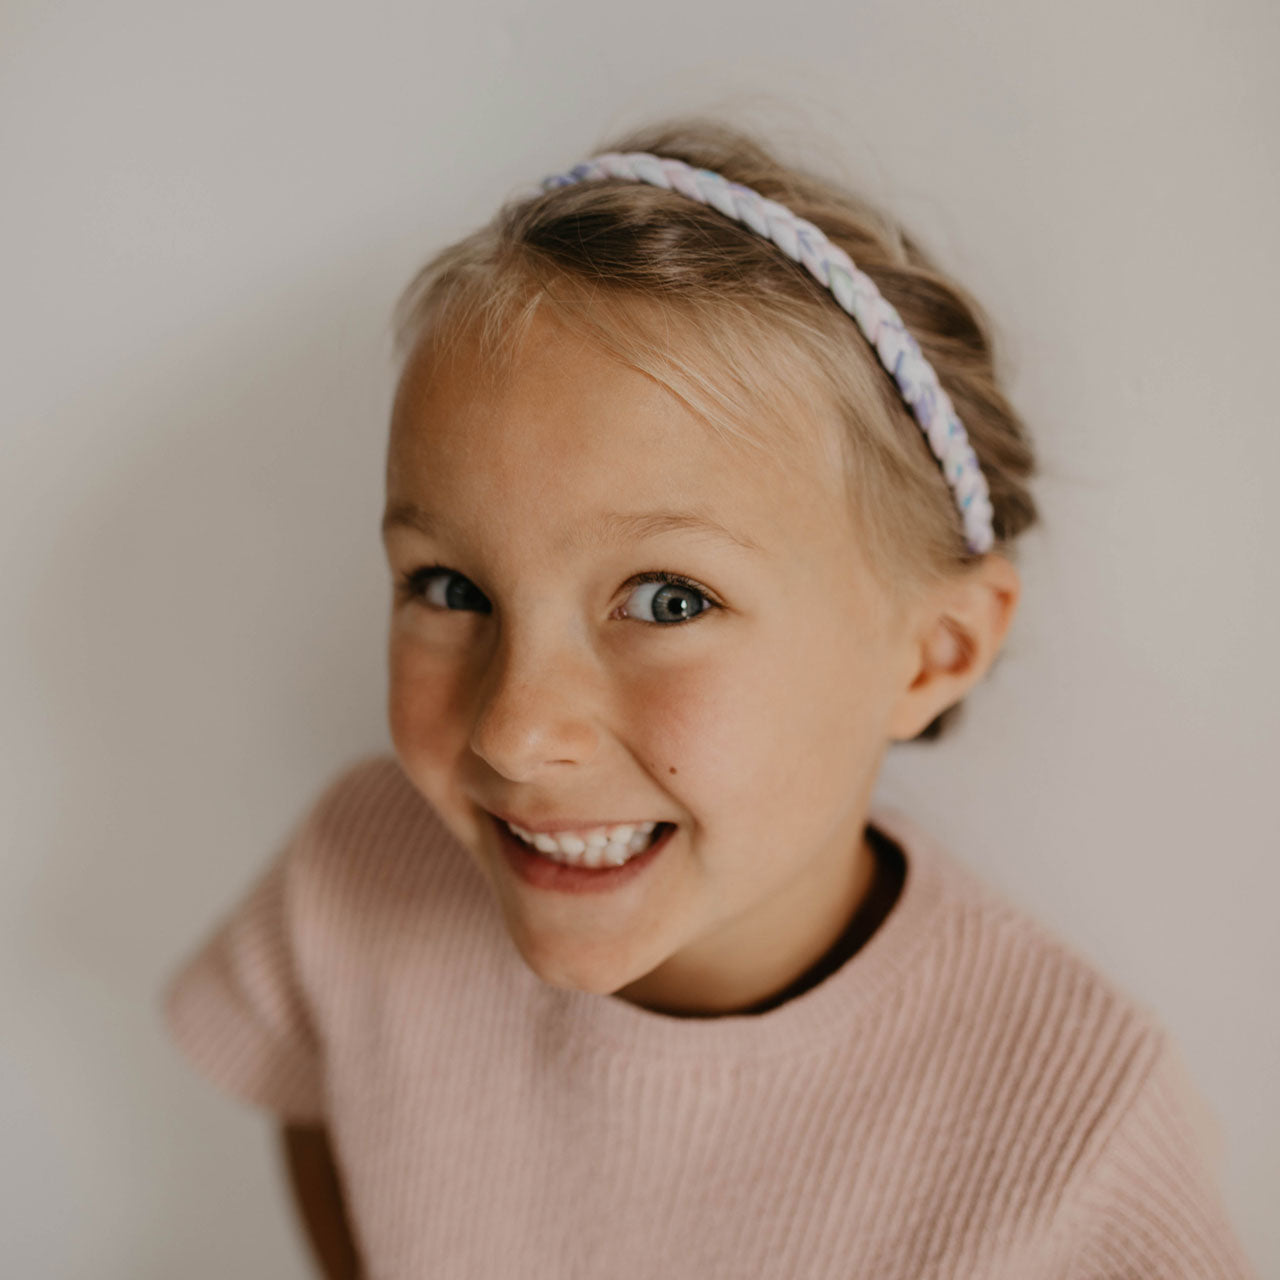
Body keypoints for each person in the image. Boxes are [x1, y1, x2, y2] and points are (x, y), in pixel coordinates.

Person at [160, 116, 1257, 1279]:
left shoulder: (1074, 1123)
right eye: (448, 584)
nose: (515, 732)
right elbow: (315, 1096)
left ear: (931, 649)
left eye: (669, 598)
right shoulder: (358, 874)